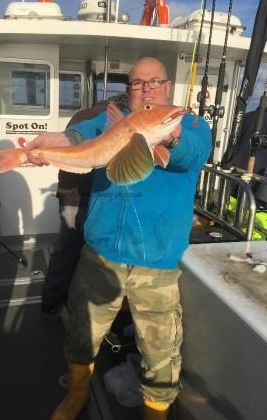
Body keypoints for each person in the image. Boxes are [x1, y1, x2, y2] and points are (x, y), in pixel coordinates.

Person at [26, 57, 211, 420]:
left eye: (153, 82)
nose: (146, 90)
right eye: (137, 84)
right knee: (82, 333)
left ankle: (154, 413)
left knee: (160, 352)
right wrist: (56, 141)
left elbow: (193, 154)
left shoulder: (190, 123)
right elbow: (82, 136)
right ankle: (76, 394)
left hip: (156, 260)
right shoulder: (113, 118)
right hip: (102, 252)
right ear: (129, 90)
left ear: (167, 85)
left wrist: (169, 134)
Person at [40, 96, 128, 316]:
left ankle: (50, 302)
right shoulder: (110, 124)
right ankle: (79, 307)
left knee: (65, 248)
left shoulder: (78, 117)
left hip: (67, 194)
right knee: (91, 254)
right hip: (91, 197)